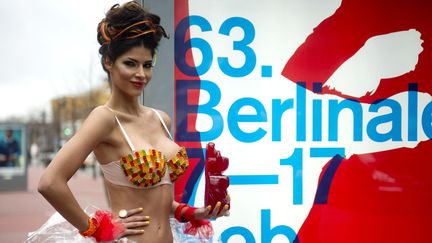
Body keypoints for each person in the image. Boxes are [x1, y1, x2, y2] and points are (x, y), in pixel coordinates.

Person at [37, 2, 229, 242]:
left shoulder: (161, 119)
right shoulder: (104, 118)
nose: (141, 74)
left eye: (147, 65)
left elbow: (157, 197)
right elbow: (50, 182)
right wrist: (96, 229)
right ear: (109, 62)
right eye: (130, 63)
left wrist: (188, 211)